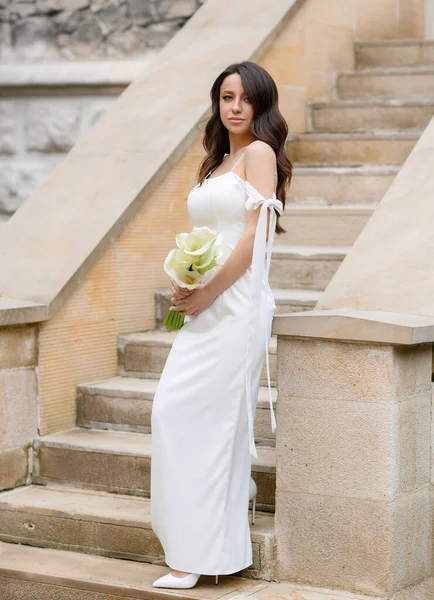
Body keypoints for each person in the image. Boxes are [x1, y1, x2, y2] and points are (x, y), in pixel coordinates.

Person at [150, 60, 292, 589]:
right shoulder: (216, 163)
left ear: (260, 105)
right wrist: (184, 281)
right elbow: (206, 236)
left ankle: (201, 554)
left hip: (237, 307)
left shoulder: (259, 154)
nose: (234, 107)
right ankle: (207, 521)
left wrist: (207, 292)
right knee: (171, 411)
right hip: (205, 306)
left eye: (244, 99)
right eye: (226, 97)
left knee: (206, 421)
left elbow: (254, 240)